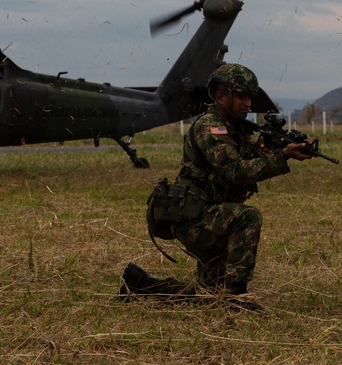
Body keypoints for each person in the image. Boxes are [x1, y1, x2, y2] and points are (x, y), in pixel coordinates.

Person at [123, 63, 312, 307]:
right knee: (247, 217)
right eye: (241, 96)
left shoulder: (235, 129)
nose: (248, 103)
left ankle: (142, 284)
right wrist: (281, 157)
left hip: (212, 218)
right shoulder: (210, 127)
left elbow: (242, 164)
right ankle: (236, 294)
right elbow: (236, 172)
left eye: (249, 97)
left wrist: (263, 151)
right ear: (221, 96)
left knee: (208, 296)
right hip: (196, 220)